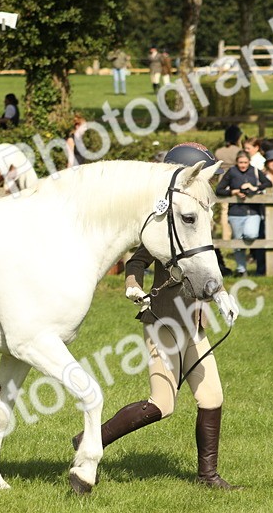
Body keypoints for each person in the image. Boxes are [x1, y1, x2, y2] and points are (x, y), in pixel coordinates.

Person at [72, 141, 242, 489]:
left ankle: (208, 476)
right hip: (164, 324)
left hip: (195, 324)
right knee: (161, 405)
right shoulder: (162, 229)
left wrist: (222, 295)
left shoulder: (193, 224)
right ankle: (90, 441)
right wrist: (133, 285)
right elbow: (135, 262)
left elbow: (204, 268)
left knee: (212, 398)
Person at [216, 151, 271, 276]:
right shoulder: (231, 172)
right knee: (238, 243)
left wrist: (254, 188)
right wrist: (233, 192)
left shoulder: (255, 171)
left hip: (253, 211)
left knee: (251, 234)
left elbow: (268, 183)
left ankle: (250, 254)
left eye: (245, 162)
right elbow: (219, 189)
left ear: (249, 162)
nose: (243, 165)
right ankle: (241, 269)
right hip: (236, 212)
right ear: (236, 162)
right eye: (240, 162)